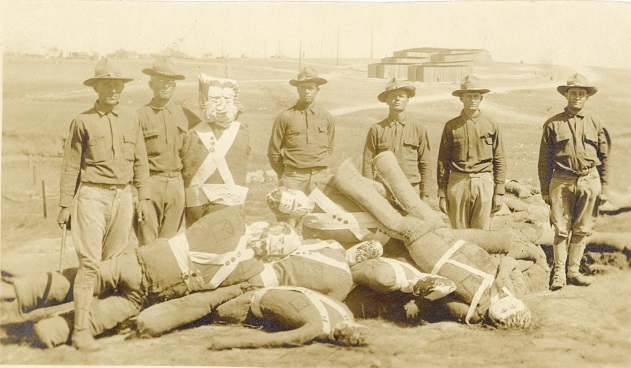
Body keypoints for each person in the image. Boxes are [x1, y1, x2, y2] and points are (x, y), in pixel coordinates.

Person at [56, 58, 150, 350]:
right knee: (90, 264)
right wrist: (64, 205)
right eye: (106, 83)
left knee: (114, 263)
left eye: (117, 84)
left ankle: (104, 321)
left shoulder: (132, 118)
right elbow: (71, 165)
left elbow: (141, 161)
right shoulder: (82, 121)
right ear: (95, 87)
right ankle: (81, 331)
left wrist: (143, 197)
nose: (113, 89)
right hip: (92, 196)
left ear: (123, 87)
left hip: (123, 197)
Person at [538, 73, 610, 291]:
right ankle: (558, 274)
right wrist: (545, 190)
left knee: (581, 229)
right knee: (561, 230)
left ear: (587, 97)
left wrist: (604, 188)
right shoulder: (552, 124)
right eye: (573, 93)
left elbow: (604, 157)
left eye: (581, 93)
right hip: (561, 180)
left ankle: (573, 271)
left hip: (589, 180)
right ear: (566, 95)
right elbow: (544, 161)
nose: (577, 97)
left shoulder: (596, 123)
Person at [136, 57, 200, 245]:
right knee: (147, 241)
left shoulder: (184, 114)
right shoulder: (139, 116)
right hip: (150, 183)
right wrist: (138, 193)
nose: (165, 86)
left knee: (170, 243)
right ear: (151, 84)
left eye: (170, 82)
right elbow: (133, 158)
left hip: (176, 185)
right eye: (160, 81)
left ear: (174, 86)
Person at [437, 75, 506, 230]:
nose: (472, 100)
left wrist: (499, 193)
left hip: (484, 182)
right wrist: (442, 193)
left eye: (476, 96)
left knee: (482, 231)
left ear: (481, 98)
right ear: (461, 98)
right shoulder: (451, 126)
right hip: (458, 182)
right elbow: (443, 162)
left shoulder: (491, 124)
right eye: (468, 96)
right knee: (459, 231)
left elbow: (500, 159)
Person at [181, 74, 250, 227]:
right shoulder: (192, 134)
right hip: (197, 205)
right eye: (215, 99)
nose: (221, 106)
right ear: (203, 101)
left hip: (229, 204)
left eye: (227, 100)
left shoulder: (242, 132)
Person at [267, 66, 335, 197]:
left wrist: (321, 172)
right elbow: (273, 152)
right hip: (293, 177)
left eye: (311, 88)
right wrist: (286, 175)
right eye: (302, 87)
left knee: (321, 215)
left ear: (317, 90)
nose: (306, 91)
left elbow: (330, 149)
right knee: (290, 216)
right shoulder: (285, 116)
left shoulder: (326, 117)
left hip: (321, 177)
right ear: (297, 89)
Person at [362, 78, 432, 204]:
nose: (397, 99)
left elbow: (425, 163)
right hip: (384, 190)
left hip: (412, 189)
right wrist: (369, 192)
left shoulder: (418, 128)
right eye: (393, 96)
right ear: (387, 101)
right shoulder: (377, 129)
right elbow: (368, 164)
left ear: (407, 100)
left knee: (414, 223)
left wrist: (425, 194)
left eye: (401, 96)